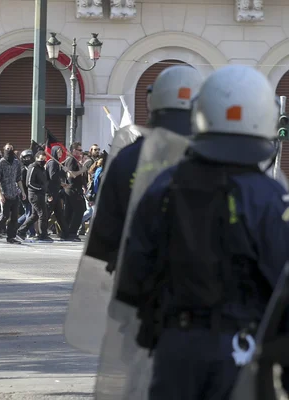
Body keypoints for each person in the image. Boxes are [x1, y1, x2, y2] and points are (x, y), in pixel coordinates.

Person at [118, 65, 289, 400]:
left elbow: (132, 275)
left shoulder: (162, 188)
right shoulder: (272, 199)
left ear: (200, 114)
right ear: (267, 118)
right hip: (244, 351)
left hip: (174, 349)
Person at [87, 65, 203, 273]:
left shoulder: (127, 158)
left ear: (153, 101)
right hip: (203, 285)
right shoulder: (216, 157)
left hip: (139, 286)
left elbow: (103, 238)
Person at [0, 143, 26, 244]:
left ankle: (11, 237)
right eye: (7, 149)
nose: (9, 151)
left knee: (14, 217)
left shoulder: (16, 163)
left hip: (14, 192)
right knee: (4, 215)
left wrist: (22, 191)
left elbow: (18, 179)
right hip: (5, 193)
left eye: (11, 149)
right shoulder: (1, 162)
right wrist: (0, 194)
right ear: (4, 150)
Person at [17, 150, 52, 242]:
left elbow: (44, 183)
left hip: (40, 194)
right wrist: (40, 188)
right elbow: (29, 183)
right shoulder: (33, 167)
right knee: (42, 214)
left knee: (35, 215)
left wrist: (47, 193)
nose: (43, 161)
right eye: (41, 159)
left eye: (44, 159)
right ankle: (42, 234)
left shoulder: (42, 169)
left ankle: (21, 231)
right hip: (34, 195)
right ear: (36, 158)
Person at [45, 146, 69, 240]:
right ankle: (41, 233)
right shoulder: (52, 163)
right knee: (46, 214)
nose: (60, 153)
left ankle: (65, 233)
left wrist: (61, 184)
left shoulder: (56, 163)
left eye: (61, 152)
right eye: (58, 152)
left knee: (59, 214)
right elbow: (53, 176)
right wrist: (63, 171)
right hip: (51, 193)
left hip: (56, 192)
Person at [17, 149, 36, 239]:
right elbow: (20, 183)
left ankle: (15, 225)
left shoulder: (31, 168)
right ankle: (30, 231)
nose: (28, 159)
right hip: (24, 194)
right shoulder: (22, 169)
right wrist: (23, 193)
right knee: (29, 213)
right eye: (26, 157)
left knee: (27, 213)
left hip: (31, 193)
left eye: (29, 157)